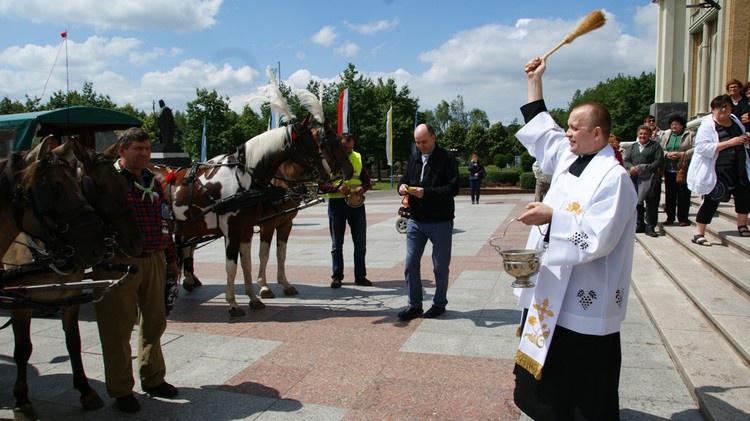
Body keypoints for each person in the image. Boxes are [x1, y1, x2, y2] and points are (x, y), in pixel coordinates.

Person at [512, 56, 637, 420]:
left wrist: (552, 215)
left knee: (583, 383)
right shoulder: (568, 159)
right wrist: (535, 81)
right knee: (547, 378)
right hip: (551, 284)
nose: (566, 133)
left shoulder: (615, 179)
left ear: (595, 133)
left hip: (586, 296)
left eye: (574, 127)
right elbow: (542, 130)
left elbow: (600, 238)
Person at [93, 127, 181, 413]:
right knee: (117, 329)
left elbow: (164, 221)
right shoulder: (107, 181)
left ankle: (153, 377)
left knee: (155, 321)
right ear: (122, 151)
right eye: (138, 149)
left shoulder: (153, 182)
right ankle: (121, 389)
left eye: (147, 149)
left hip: (154, 257)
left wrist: (170, 258)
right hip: (118, 262)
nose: (144, 154)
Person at [396, 123, 459, 320]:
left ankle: (439, 304)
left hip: (441, 221)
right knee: (410, 263)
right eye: (417, 142)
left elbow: (453, 188)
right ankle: (414, 305)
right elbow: (403, 180)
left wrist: (427, 193)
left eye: (423, 141)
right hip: (416, 220)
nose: (420, 146)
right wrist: (402, 187)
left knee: (440, 266)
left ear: (433, 138)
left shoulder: (447, 158)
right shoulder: (414, 158)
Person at [687, 94, 750, 246]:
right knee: (711, 200)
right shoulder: (707, 125)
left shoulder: (735, 120)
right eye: (719, 107)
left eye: (726, 106)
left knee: (744, 196)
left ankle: (742, 224)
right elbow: (702, 148)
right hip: (717, 170)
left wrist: (745, 138)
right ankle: (699, 233)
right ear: (713, 110)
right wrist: (731, 142)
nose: (723, 109)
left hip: (738, 167)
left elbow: (741, 139)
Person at [326, 132, 372, 288]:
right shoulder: (330, 158)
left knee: (360, 244)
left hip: (356, 204)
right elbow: (321, 184)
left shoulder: (358, 157)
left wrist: (363, 188)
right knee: (336, 244)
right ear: (339, 144)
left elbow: (367, 181)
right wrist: (337, 189)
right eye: (345, 148)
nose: (347, 151)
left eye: (350, 148)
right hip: (336, 205)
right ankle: (337, 276)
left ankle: (360, 276)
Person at [624, 125, 664, 237]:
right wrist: (630, 167)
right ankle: (639, 224)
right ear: (637, 134)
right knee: (637, 202)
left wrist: (646, 169)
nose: (643, 136)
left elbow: (659, 160)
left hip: (651, 179)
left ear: (650, 135)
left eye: (645, 133)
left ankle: (650, 227)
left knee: (651, 203)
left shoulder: (655, 146)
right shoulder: (633, 147)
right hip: (636, 179)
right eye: (641, 133)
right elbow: (626, 160)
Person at [660, 114, 694, 226]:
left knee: (683, 194)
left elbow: (696, 148)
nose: (674, 126)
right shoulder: (666, 135)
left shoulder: (690, 135)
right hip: (669, 169)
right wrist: (667, 154)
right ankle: (670, 217)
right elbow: (661, 149)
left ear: (682, 125)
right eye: (672, 124)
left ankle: (683, 218)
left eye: (676, 124)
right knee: (670, 195)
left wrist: (682, 154)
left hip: (683, 169)